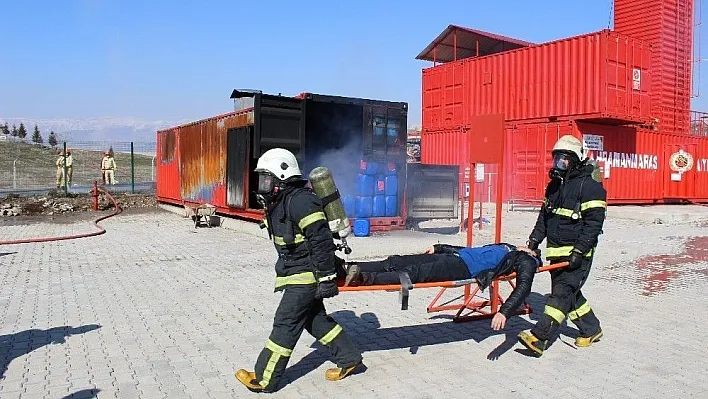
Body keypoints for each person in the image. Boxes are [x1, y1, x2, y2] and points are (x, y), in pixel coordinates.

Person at [235, 148, 363, 393]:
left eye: (266, 179)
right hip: (298, 270)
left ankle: (265, 378)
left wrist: (326, 278)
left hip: (308, 274)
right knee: (315, 321)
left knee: (285, 322)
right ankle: (349, 358)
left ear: (282, 177)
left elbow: (321, 240)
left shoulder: (301, 201)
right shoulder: (283, 201)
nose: (262, 185)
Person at [517, 135, 607, 357]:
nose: (559, 163)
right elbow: (544, 218)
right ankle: (592, 329)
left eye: (564, 159)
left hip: (578, 254)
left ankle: (540, 338)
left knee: (560, 294)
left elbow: (594, 224)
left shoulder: (590, 187)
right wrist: (533, 242)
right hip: (556, 252)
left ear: (575, 160)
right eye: (557, 158)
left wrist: (579, 251)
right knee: (570, 294)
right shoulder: (555, 186)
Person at [344, 243, 543, 331]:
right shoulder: (507, 246)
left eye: (530, 247)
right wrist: (440, 248)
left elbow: (523, 286)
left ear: (533, 253)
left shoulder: (527, 261)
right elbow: (469, 250)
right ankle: (348, 268)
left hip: (460, 268)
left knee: (413, 274)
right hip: (453, 257)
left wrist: (504, 312)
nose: (526, 245)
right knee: (398, 260)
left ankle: (363, 278)